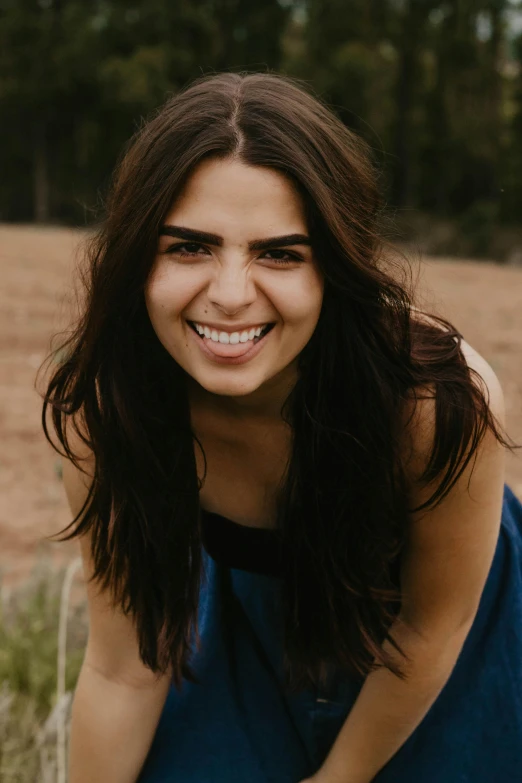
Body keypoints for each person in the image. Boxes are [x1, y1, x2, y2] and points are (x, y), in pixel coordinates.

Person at [41, 72, 522, 783]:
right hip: (241, 638)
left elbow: (432, 628)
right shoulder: (110, 406)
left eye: (279, 252)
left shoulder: (438, 403)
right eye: (189, 247)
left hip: (445, 646)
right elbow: (126, 665)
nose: (231, 295)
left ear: (335, 267)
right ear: (138, 257)